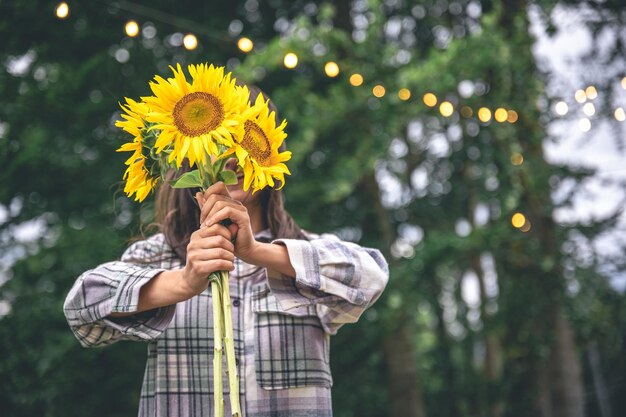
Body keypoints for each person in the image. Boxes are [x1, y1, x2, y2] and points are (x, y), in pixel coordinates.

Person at [63, 88, 389, 417]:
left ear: (269, 151)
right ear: (188, 149)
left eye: (244, 137)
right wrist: (184, 282)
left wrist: (255, 251)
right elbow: (82, 308)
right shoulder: (161, 255)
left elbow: (371, 277)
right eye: (219, 136)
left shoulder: (301, 255)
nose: (231, 155)